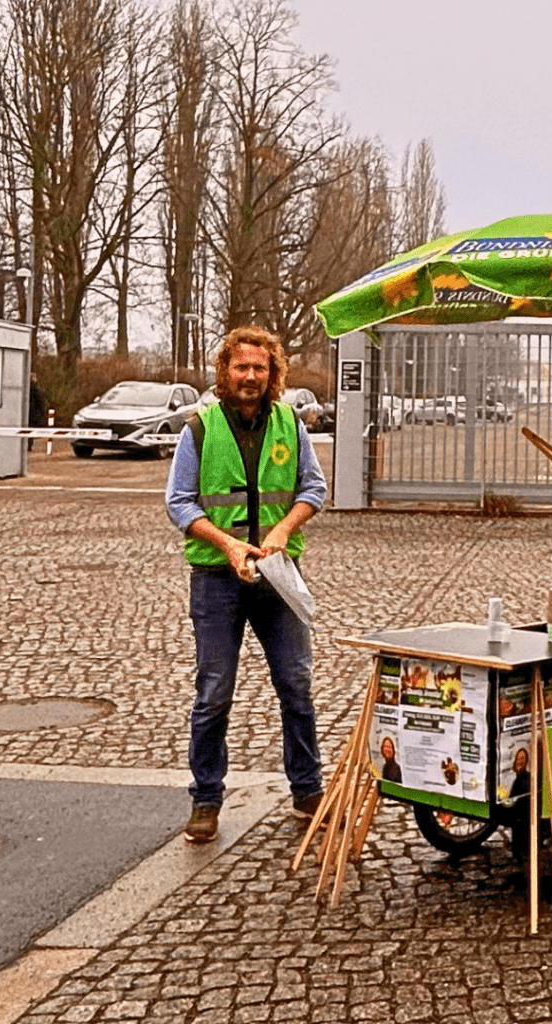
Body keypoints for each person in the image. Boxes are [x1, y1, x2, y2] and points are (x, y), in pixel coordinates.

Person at [165, 324, 328, 843]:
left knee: (296, 684)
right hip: (218, 578)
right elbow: (179, 503)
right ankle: (205, 800)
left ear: (272, 372)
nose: (251, 376)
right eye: (242, 367)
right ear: (225, 371)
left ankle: (308, 790)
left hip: (278, 576)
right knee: (214, 691)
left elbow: (314, 488)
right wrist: (228, 545)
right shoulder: (199, 428)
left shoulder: (290, 424)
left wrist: (282, 532)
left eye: (260, 367)